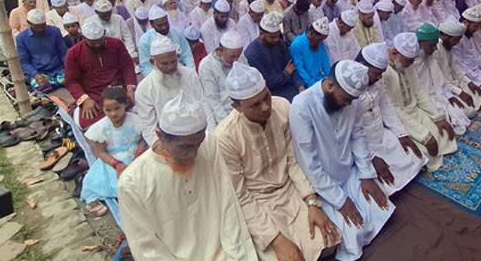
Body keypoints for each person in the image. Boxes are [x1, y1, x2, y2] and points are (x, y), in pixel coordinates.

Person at [215, 63, 341, 261]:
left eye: (266, 96)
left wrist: (312, 202)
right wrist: (276, 239)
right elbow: (240, 195)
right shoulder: (225, 137)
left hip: (290, 190)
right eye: (255, 105)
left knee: (328, 242)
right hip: (258, 203)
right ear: (236, 107)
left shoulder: (282, 106)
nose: (266, 107)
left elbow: (294, 160)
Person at [118, 92, 259, 261]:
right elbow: (147, 249)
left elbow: (229, 207)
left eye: (198, 144)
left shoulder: (209, 145)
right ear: (160, 135)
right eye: (185, 147)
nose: (194, 153)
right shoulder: (132, 183)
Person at [290, 60, 395, 261]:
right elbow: (308, 162)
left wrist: (366, 175)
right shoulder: (302, 106)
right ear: (330, 85)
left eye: (352, 100)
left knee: (380, 207)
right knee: (354, 232)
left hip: (348, 170)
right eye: (346, 99)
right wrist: (340, 200)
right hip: (322, 183)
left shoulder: (351, 100)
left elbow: (358, 136)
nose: (349, 104)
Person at [355, 43, 426, 195]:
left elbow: (386, 107)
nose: (379, 78)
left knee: (413, 156)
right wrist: (371, 157)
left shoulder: (377, 82)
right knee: (382, 179)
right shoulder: (350, 88)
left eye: (381, 74)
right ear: (362, 66)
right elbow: (351, 132)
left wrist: (401, 134)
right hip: (364, 142)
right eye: (376, 74)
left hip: (381, 134)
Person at [382, 32, 457, 172]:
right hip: (399, 119)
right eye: (409, 60)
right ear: (394, 53)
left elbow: (419, 91)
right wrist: (423, 135)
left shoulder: (407, 64)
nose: (412, 64)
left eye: (412, 60)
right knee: (424, 150)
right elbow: (393, 109)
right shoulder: (384, 72)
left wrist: (438, 117)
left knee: (443, 134)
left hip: (415, 110)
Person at [135, 35, 215, 146]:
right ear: (152, 62)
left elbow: (204, 105)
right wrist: (165, 150)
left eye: (173, 61)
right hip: (170, 144)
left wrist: (210, 136)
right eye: (164, 63)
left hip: (199, 135)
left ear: (177, 57)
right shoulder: (144, 89)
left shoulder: (190, 75)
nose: (170, 67)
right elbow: (149, 128)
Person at [81, 87, 146, 215]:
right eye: (108, 110)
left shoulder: (135, 120)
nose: (113, 114)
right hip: (113, 159)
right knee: (99, 180)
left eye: (117, 108)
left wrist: (139, 154)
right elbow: (101, 152)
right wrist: (116, 164)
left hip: (136, 155)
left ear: (125, 104)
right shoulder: (101, 127)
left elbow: (142, 140)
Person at [64, 21, 137, 129]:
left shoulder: (116, 44)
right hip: (94, 95)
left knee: (139, 112)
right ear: (84, 38)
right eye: (93, 43)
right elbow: (71, 81)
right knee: (89, 124)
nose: (97, 45)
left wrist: (130, 88)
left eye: (100, 41)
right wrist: (85, 99)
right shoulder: (73, 53)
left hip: (119, 89)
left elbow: (127, 66)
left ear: (104, 35)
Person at [413, 23, 473, 135]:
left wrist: (449, 96)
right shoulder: (411, 62)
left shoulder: (429, 55)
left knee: (467, 112)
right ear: (421, 43)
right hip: (422, 100)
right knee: (442, 129)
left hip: (438, 94)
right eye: (433, 45)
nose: (435, 48)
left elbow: (439, 80)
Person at [245, 11, 304, 101]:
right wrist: (286, 73)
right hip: (272, 94)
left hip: (290, 85)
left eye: (277, 36)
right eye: (272, 37)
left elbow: (292, 67)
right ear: (261, 34)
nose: (276, 40)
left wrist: (300, 86)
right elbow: (267, 82)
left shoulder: (280, 44)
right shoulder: (252, 53)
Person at [199, 31, 248, 124]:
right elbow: (213, 99)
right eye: (232, 56)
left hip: (245, 108)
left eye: (238, 56)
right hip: (223, 113)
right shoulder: (207, 65)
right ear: (220, 51)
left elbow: (248, 83)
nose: (236, 60)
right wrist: (226, 123)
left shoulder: (240, 58)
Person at [16, 9, 67, 92]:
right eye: (37, 27)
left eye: (42, 26)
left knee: (70, 79)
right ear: (29, 23)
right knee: (40, 86)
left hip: (58, 70)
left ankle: (53, 85)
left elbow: (63, 54)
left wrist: (67, 69)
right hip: (39, 72)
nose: (40, 29)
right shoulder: (21, 38)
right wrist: (35, 74)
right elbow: (24, 61)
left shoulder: (55, 31)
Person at [137, 5, 194, 75]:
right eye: (160, 25)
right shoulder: (144, 40)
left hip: (181, 73)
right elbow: (146, 66)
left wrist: (190, 73)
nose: (164, 27)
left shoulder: (177, 33)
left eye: (166, 23)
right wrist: (157, 79)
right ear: (152, 25)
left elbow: (187, 55)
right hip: (158, 76)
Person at [289, 17, 331, 89]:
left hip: (319, 80)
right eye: (320, 39)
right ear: (312, 33)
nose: (321, 42)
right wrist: (313, 85)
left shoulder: (319, 42)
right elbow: (300, 68)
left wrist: (330, 78)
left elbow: (325, 62)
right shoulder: (297, 44)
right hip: (305, 83)